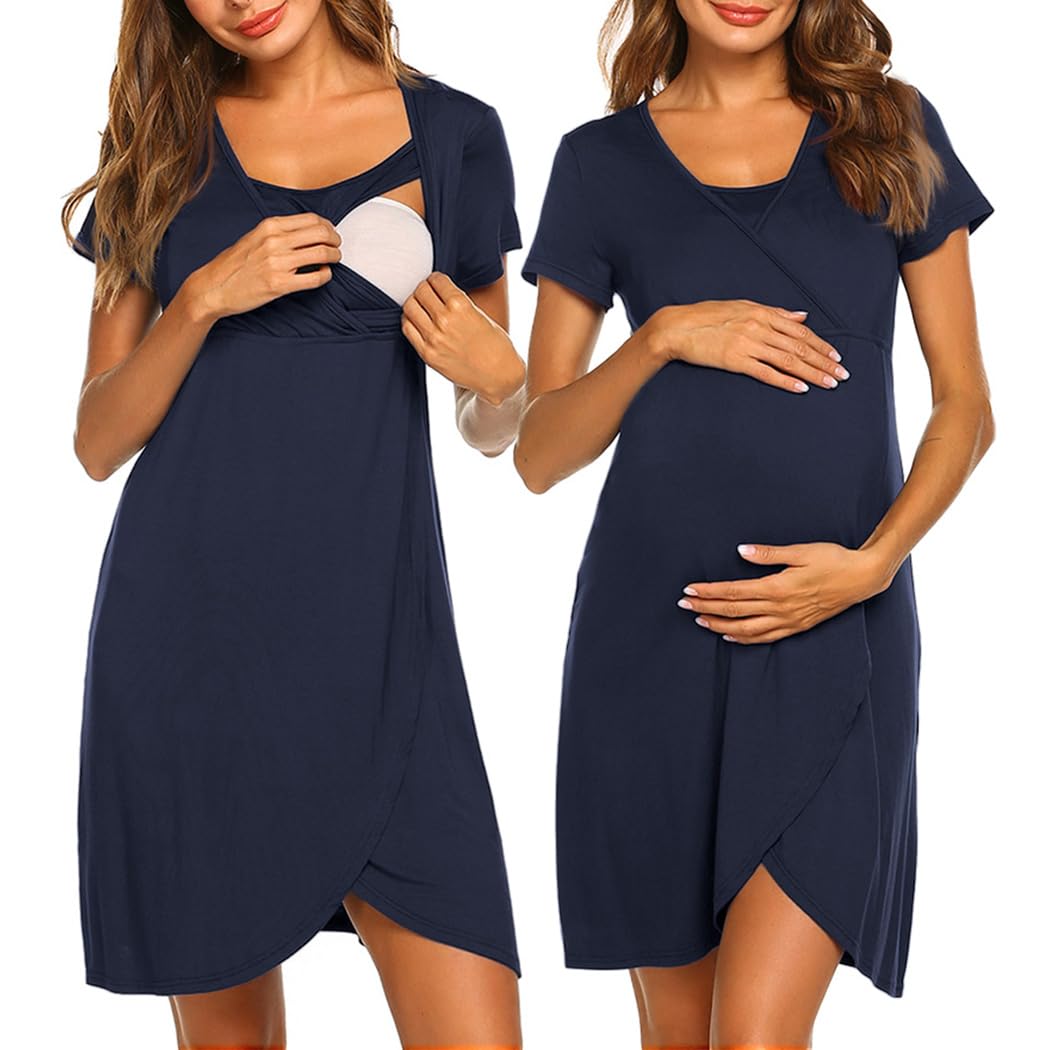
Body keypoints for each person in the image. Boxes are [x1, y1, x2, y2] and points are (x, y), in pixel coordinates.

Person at [515, 0, 994, 1045]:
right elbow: (539, 452)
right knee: (679, 1037)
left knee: (757, 1035)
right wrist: (661, 337)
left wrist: (874, 567)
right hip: (652, 638)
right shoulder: (599, 162)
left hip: (835, 627)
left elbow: (966, 406)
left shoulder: (889, 127)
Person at [61, 1, 526, 1046]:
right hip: (193, 654)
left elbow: (491, 424)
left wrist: (504, 382)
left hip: (386, 658)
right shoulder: (159, 147)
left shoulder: (455, 133)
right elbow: (96, 440)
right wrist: (200, 300)